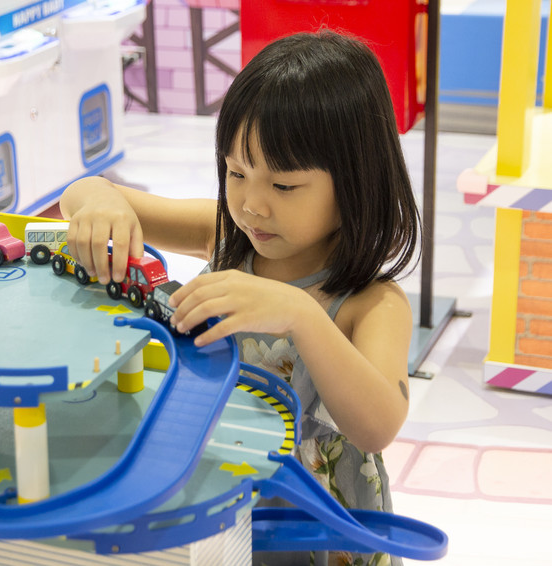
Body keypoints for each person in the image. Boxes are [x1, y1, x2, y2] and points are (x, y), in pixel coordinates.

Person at [60, 30, 418, 566]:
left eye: (284, 186)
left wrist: (300, 314)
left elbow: (378, 425)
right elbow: (88, 191)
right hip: (220, 497)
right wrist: (97, 205)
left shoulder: (372, 302)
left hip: (314, 527)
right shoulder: (226, 237)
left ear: (355, 182)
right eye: (236, 172)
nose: (251, 205)